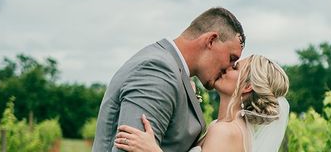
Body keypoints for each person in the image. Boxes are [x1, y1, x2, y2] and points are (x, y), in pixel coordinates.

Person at [91, 7, 245, 152]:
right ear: (210, 40)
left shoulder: (173, 71)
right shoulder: (157, 70)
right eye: (231, 58)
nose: (228, 68)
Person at [114, 54, 290, 152]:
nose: (227, 67)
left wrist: (152, 150)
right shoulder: (222, 126)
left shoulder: (226, 131)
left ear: (247, 86)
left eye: (235, 68)